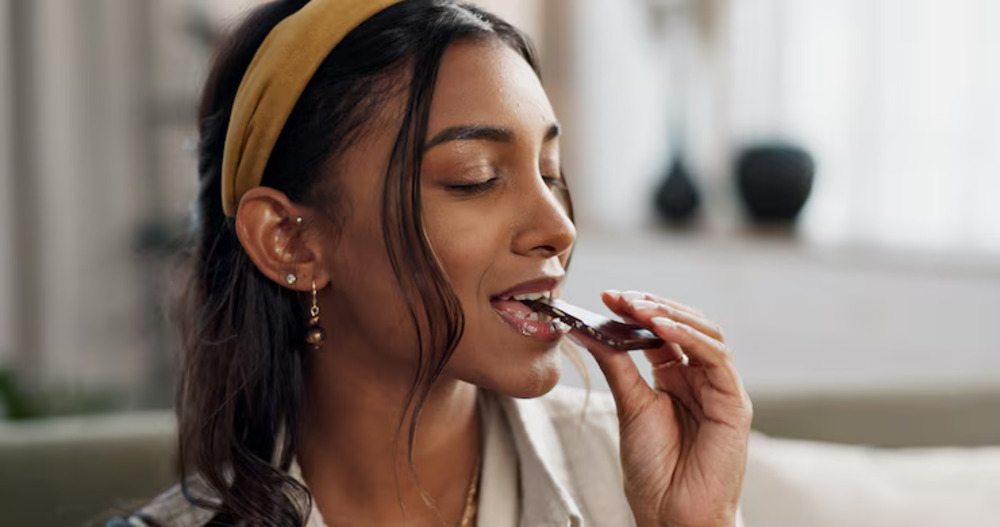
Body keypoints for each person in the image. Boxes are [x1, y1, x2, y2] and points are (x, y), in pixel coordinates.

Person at [112, 0, 752, 525]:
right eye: (474, 178)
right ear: (290, 240)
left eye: (551, 173)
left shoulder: (631, 480)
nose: (558, 228)